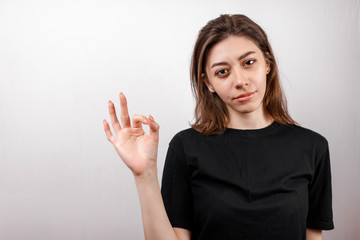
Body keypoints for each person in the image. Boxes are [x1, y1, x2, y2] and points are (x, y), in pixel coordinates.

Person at [103, 14, 334, 240]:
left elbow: (313, 236)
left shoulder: (312, 147)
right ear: (208, 83)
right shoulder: (186, 147)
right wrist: (144, 174)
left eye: (249, 63)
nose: (240, 81)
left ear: (267, 64)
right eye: (222, 72)